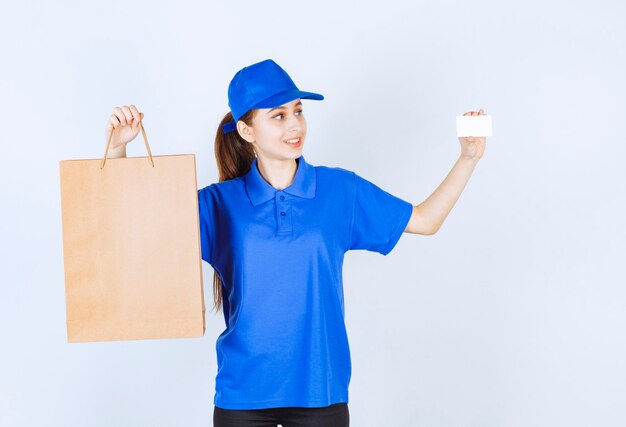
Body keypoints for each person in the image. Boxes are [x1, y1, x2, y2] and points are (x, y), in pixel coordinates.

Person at [104, 58, 487, 427]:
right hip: (243, 397)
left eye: (298, 111)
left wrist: (468, 157)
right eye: (279, 115)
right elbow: (137, 229)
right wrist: (120, 148)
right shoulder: (218, 204)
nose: (295, 125)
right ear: (247, 130)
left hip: (320, 392)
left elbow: (426, 220)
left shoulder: (340, 190)